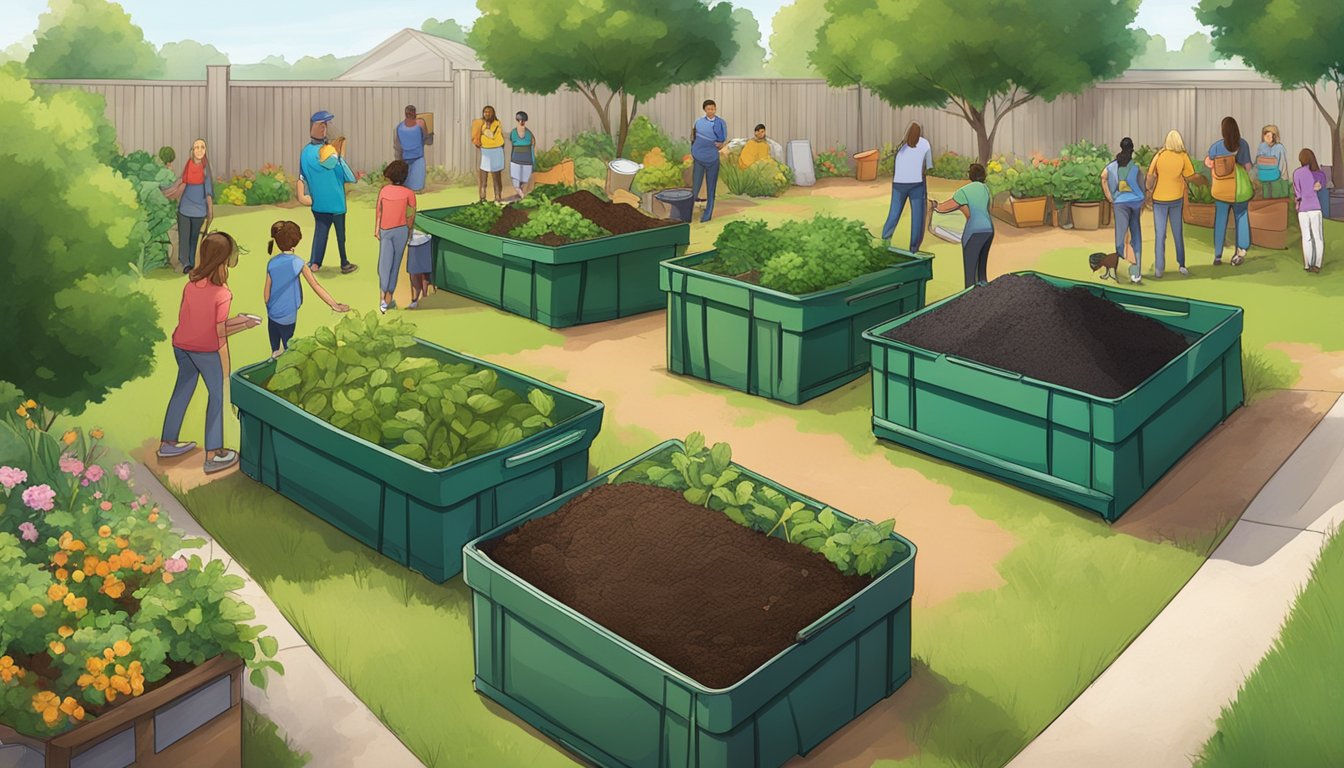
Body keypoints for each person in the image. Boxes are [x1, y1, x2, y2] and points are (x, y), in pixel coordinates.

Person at [158, 232, 260, 474]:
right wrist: (244, 323)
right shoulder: (222, 293)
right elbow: (218, 330)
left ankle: (167, 443)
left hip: (181, 346)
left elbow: (196, 321)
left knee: (182, 391)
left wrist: (240, 321)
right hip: (205, 351)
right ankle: (213, 454)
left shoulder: (191, 285)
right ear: (224, 259)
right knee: (216, 397)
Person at [264, 220, 349, 357]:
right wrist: (334, 304)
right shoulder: (297, 263)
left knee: (275, 349)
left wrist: (269, 307)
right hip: (287, 314)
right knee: (288, 348)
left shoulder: (272, 262)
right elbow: (315, 285)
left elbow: (266, 292)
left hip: (272, 313)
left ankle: (274, 356)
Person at [299, 110, 359, 274]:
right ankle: (344, 262)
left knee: (321, 232)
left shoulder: (305, 152)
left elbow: (302, 175)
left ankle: (315, 263)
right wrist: (341, 155)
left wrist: (302, 195)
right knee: (340, 235)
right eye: (323, 125)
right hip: (336, 203)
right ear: (319, 128)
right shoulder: (329, 153)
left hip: (318, 203)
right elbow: (349, 176)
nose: (325, 129)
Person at [933, 163, 994, 289]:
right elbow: (987, 209)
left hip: (973, 233)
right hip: (988, 230)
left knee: (970, 273)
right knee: (981, 272)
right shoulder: (985, 189)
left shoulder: (964, 191)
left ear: (969, 175)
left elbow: (942, 208)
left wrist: (933, 204)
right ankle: (986, 297)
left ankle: (970, 299)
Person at [1146, 129, 1198, 277]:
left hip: (1159, 199)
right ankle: (1181, 264)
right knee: (1177, 233)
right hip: (1176, 199)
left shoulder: (1159, 155)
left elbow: (1150, 176)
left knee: (1160, 234)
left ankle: (1159, 268)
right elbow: (1190, 175)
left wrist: (1149, 189)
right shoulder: (1183, 156)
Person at [1205, 116, 1254, 266]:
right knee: (1242, 217)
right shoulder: (1243, 144)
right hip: (1239, 190)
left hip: (1221, 190)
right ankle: (1240, 252)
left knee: (1220, 220)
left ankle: (1218, 255)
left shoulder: (1217, 147)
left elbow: (1208, 162)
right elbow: (1248, 167)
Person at [882, 121, 933, 252]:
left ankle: (885, 239)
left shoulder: (902, 147)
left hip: (898, 183)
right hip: (916, 184)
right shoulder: (925, 143)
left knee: (894, 212)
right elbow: (929, 165)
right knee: (918, 216)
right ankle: (914, 248)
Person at [1100, 138, 1146, 284]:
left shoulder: (1113, 166)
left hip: (1120, 202)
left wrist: (1109, 197)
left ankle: (1123, 265)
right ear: (1132, 150)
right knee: (1135, 235)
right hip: (1136, 202)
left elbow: (1103, 177)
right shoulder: (1135, 167)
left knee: (1121, 235)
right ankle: (1136, 270)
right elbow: (1142, 187)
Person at [375, 160, 417, 313]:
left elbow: (379, 211)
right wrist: (409, 229)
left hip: (387, 230)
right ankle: (387, 297)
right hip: (401, 231)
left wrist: (377, 228)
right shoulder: (409, 193)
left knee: (384, 263)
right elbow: (411, 215)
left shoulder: (384, 191)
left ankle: (384, 297)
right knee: (394, 265)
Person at [174, 138, 213, 274]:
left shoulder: (206, 170)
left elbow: (208, 192)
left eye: (202, 147)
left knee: (194, 238)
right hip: (184, 209)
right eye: (197, 147)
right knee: (184, 237)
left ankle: (191, 262)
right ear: (192, 151)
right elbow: (181, 186)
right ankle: (185, 262)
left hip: (199, 211)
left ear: (205, 151)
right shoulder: (188, 166)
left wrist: (210, 211)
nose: (199, 150)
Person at [689, 99, 726, 223]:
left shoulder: (720, 123)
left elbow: (722, 140)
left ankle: (707, 214)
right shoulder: (699, 122)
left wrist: (720, 143)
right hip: (699, 157)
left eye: (712, 108)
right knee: (695, 186)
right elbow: (693, 137)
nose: (710, 110)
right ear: (704, 110)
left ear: (715, 109)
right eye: (708, 108)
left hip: (712, 158)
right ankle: (688, 212)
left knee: (711, 188)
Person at [1294, 148, 1327, 273]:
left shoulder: (1297, 173)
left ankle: (1307, 264)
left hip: (1303, 209)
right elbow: (1319, 186)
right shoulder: (1319, 174)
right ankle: (1317, 264)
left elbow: (1297, 193)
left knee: (1306, 237)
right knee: (1318, 237)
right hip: (1314, 208)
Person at [393, 105, 433, 193]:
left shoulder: (399, 127)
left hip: (407, 158)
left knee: (409, 186)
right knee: (416, 187)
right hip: (415, 157)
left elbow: (397, 146)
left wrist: (398, 160)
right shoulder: (420, 123)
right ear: (414, 113)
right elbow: (426, 138)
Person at [475, 106, 505, 202]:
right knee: (483, 174)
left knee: (496, 175)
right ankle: (482, 197)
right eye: (485, 112)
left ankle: (497, 196)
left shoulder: (497, 123)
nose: (487, 114)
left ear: (493, 113)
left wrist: (482, 131)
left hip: (496, 150)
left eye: (489, 112)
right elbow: (476, 136)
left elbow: (491, 135)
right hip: (485, 151)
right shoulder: (480, 124)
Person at [508, 111, 536, 200]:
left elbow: (533, 145)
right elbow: (511, 144)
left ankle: (522, 196)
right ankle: (521, 196)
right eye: (519, 120)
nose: (521, 122)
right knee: (516, 179)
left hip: (527, 159)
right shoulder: (513, 132)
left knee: (525, 180)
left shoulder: (529, 133)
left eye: (523, 120)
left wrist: (533, 159)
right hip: (515, 159)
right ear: (517, 120)